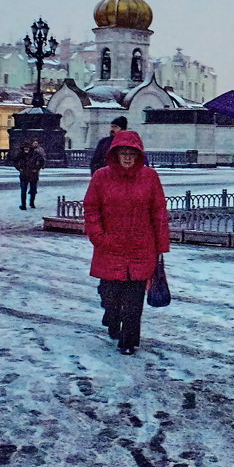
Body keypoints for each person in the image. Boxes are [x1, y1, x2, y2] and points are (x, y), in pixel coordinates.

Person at [83, 130, 169, 355]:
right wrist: (98, 236)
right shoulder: (101, 177)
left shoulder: (150, 177)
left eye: (132, 153)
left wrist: (161, 246)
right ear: (115, 154)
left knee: (134, 298)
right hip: (110, 246)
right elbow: (91, 208)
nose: (128, 157)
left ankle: (129, 340)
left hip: (142, 246)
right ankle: (112, 318)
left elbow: (159, 211)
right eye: (123, 152)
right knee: (110, 295)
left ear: (139, 154)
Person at [12, 139, 46, 210]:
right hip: (24, 174)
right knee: (24, 190)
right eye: (25, 148)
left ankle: (31, 203)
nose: (26, 149)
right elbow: (15, 161)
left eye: (27, 148)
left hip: (32, 174)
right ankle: (23, 205)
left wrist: (36, 169)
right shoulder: (21, 154)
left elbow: (42, 161)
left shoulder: (35, 153)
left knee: (32, 190)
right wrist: (19, 168)